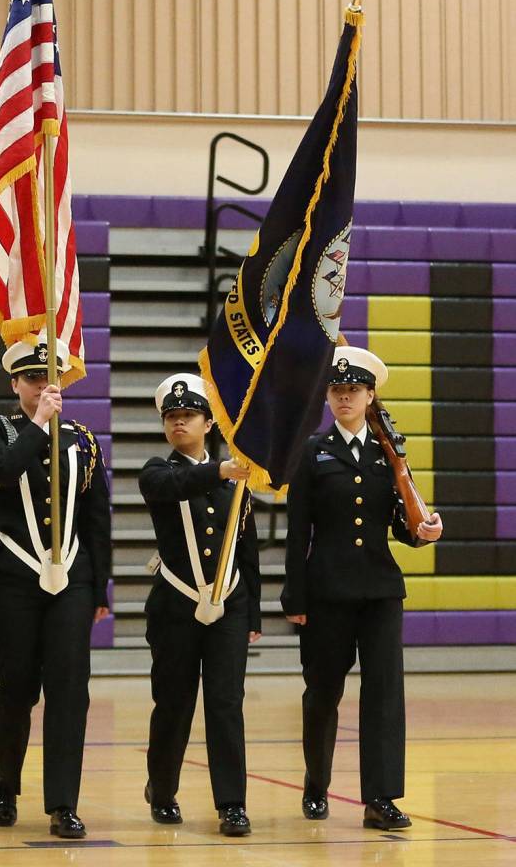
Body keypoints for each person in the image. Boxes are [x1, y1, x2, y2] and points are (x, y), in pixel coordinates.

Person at [281, 345, 443, 830]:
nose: (343, 398)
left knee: (384, 695)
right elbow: (297, 531)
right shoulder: (312, 452)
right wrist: (295, 596)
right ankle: (316, 782)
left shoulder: (389, 453)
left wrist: (422, 529)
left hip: (379, 591)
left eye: (353, 390)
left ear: (371, 395)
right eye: (336, 389)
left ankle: (381, 798)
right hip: (327, 592)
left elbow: (400, 522)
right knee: (322, 693)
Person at [0, 337, 111, 840]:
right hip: (13, 580)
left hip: (71, 579)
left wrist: (100, 589)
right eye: (31, 378)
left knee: (71, 691)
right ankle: (7, 782)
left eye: (49, 377)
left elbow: (98, 518)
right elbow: (2, 473)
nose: (41, 384)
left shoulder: (83, 439)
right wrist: (35, 425)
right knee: (17, 690)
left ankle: (63, 804)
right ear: (15, 384)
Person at [139, 373, 261, 837]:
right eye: (171, 417)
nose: (178, 423)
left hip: (229, 606)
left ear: (209, 422)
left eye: (188, 415)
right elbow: (170, 487)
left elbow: (245, 551)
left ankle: (232, 803)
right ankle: (164, 790)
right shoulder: (158, 470)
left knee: (227, 704)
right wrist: (220, 472)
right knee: (173, 703)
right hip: (176, 607)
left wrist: (253, 612)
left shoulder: (236, 483)